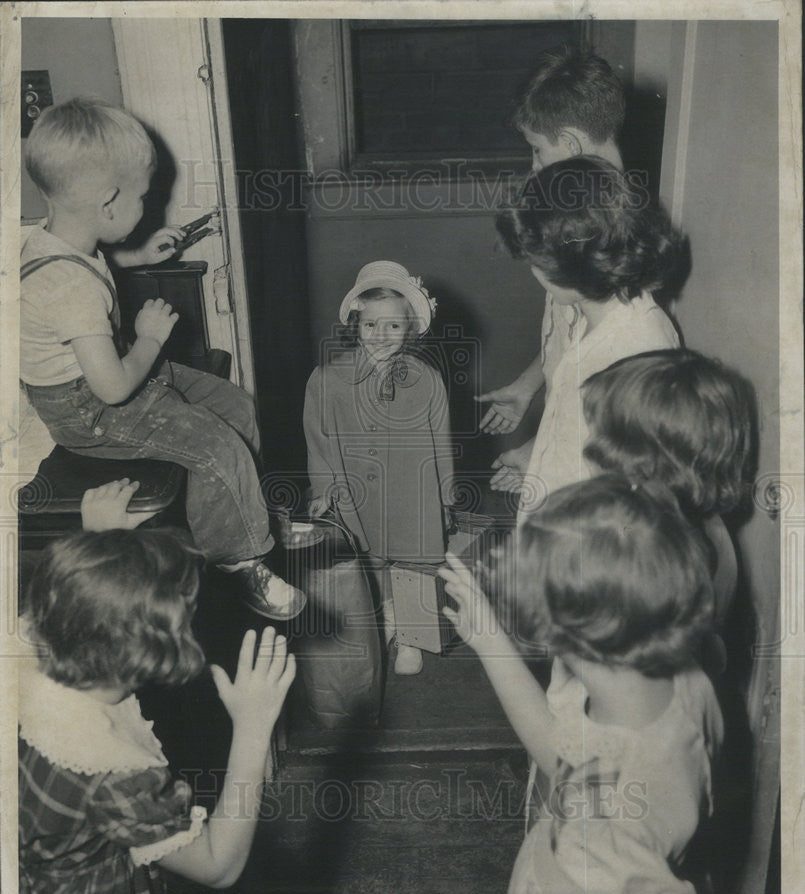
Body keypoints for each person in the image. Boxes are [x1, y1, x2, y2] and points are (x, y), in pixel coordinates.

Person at [20, 97, 304, 620]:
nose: (146, 208)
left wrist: (139, 256)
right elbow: (112, 390)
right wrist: (149, 337)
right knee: (215, 444)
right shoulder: (69, 290)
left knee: (235, 405)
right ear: (109, 202)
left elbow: (94, 270)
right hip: (92, 408)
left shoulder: (58, 240)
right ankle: (240, 561)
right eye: (142, 199)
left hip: (113, 372)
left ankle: (248, 513)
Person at [439, 475, 724, 894]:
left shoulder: (611, 824)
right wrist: (488, 640)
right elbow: (564, 755)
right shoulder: (685, 682)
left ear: (555, 634)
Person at [18, 529, 296, 894]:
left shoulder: (27, 658)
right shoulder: (111, 771)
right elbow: (218, 866)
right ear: (153, 652)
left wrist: (99, 545)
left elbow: (87, 601)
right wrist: (253, 726)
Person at [491, 156, 683, 514]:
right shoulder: (584, 317)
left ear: (577, 263)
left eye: (537, 263)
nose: (533, 273)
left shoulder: (637, 348)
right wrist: (539, 466)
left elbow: (633, 491)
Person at [303, 261, 454, 675]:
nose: (381, 336)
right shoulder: (327, 378)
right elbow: (317, 439)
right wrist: (323, 490)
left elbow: (441, 439)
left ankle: (412, 637)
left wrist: (445, 494)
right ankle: (387, 615)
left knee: (415, 561)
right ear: (356, 324)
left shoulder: (426, 379)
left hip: (413, 488)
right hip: (354, 490)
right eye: (371, 326)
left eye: (393, 327)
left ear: (410, 328)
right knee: (369, 558)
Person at [476, 45, 626, 442]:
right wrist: (530, 383)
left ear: (572, 144)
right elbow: (570, 327)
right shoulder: (576, 205)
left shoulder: (618, 231)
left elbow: (610, 389)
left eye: (537, 149)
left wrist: (543, 454)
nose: (534, 165)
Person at [582, 349, 756, 633]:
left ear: (638, 455)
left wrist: (489, 638)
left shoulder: (652, 561)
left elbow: (606, 668)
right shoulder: (692, 518)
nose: (588, 445)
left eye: (598, 434)